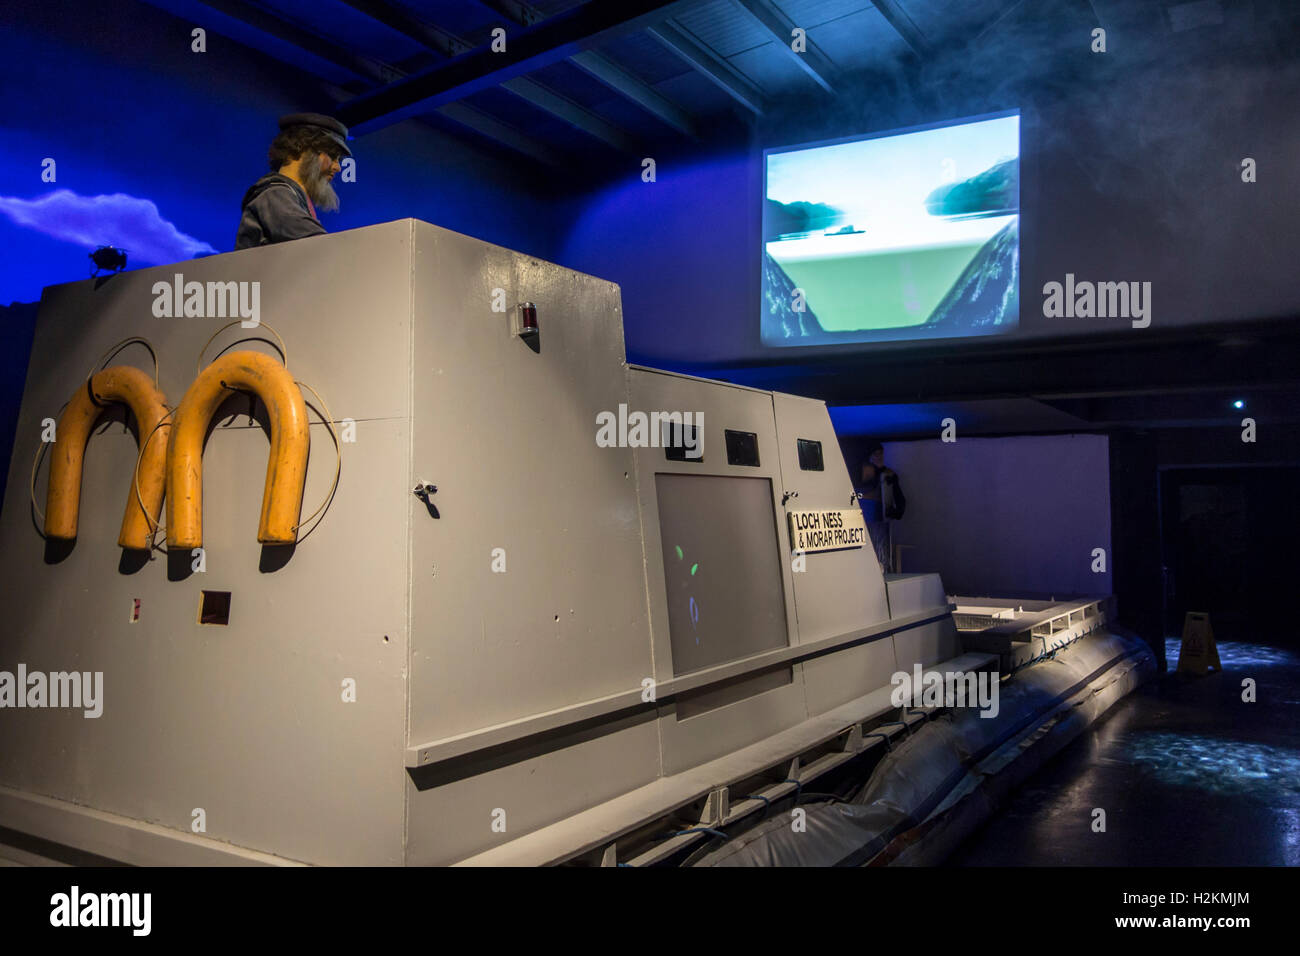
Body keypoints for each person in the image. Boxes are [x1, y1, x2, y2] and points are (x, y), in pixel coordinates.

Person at [235, 113, 351, 251]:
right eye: (332, 156)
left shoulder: (291, 197)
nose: (337, 167)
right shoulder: (274, 194)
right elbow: (320, 246)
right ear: (302, 148)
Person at [855, 441, 902, 572]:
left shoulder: (887, 475)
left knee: (881, 553)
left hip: (878, 520)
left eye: (881, 454)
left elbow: (897, 496)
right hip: (864, 521)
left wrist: (896, 511)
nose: (878, 457)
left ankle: (882, 572)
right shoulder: (865, 474)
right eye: (875, 454)